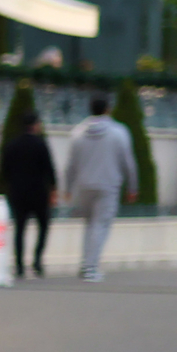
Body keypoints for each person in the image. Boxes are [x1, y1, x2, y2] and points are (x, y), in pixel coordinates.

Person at [65, 93, 139, 282]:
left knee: (89, 225)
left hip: (84, 186)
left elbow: (70, 165)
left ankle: (86, 264)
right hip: (108, 186)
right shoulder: (119, 132)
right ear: (108, 109)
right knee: (100, 226)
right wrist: (133, 186)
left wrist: (68, 187)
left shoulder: (78, 132)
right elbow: (128, 162)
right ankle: (90, 268)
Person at [0, 111, 56, 280]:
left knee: (20, 228)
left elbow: (4, 169)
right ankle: (37, 261)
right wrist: (53, 189)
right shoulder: (41, 144)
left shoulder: (12, 144)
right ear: (36, 125)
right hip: (38, 192)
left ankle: (19, 265)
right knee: (43, 226)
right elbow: (49, 168)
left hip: (17, 192)